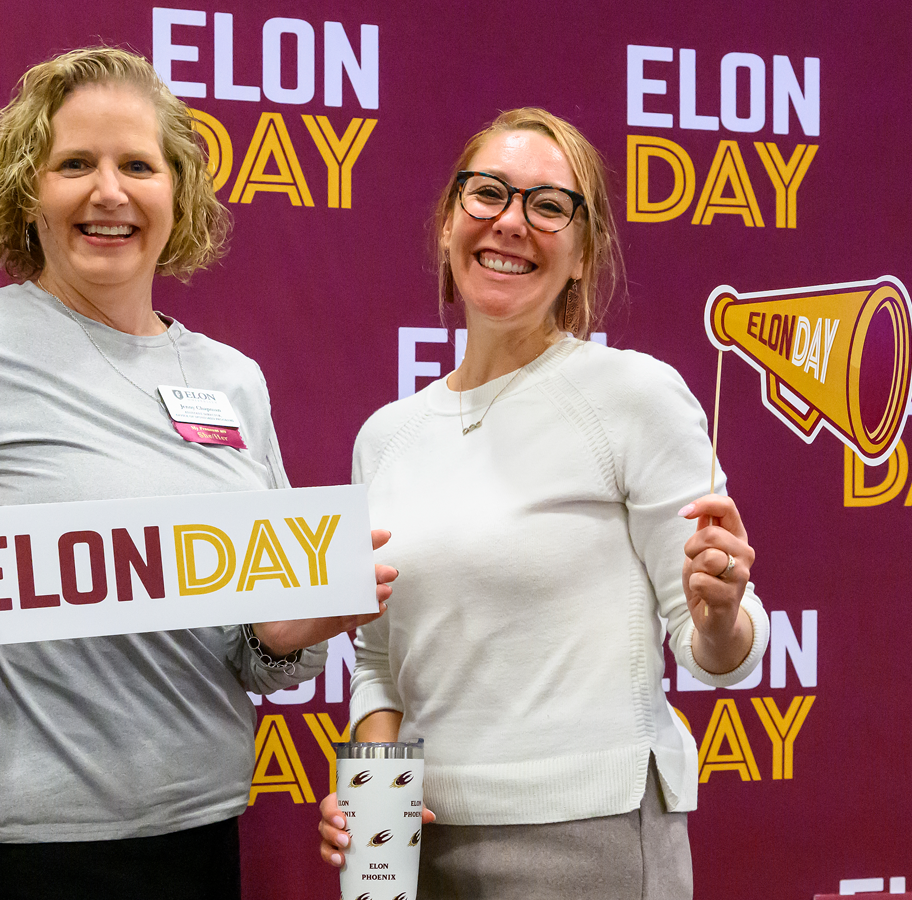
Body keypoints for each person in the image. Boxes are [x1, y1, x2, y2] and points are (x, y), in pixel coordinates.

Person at [0, 46, 395, 900]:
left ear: (179, 193)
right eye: (75, 165)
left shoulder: (231, 378)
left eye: (138, 164)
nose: (109, 192)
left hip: (203, 834)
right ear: (30, 192)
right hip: (31, 856)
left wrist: (279, 640)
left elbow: (252, 647)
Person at [316, 108, 768, 899]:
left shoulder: (633, 395)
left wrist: (723, 611)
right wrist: (372, 809)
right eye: (487, 193)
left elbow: (719, 652)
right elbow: (380, 664)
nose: (511, 222)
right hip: (418, 847)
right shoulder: (384, 437)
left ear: (584, 254)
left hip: (595, 839)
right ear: (449, 222)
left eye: (548, 205)